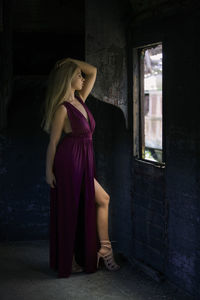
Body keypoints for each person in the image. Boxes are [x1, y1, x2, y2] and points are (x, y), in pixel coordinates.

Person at [41, 57, 120, 277]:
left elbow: (93, 70)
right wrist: (49, 171)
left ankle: (104, 248)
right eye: (78, 75)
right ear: (68, 79)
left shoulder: (81, 99)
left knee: (102, 199)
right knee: (72, 211)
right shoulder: (62, 109)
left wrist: (70, 61)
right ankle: (71, 260)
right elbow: (54, 142)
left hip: (85, 161)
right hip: (69, 163)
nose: (83, 78)